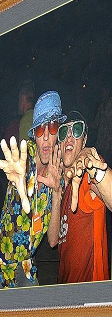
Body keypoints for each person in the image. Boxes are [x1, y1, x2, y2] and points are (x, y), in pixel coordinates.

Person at [0, 90, 65, 288]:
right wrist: (18, 178)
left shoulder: (58, 174)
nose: (46, 137)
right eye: (40, 130)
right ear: (34, 135)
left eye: (52, 126)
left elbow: (53, 241)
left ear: (59, 132)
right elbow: (18, 168)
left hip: (26, 268)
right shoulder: (24, 159)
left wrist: (57, 193)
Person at [48, 111, 111, 283]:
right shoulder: (67, 187)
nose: (69, 136)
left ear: (84, 141)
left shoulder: (86, 176)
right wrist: (56, 194)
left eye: (76, 129)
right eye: (63, 132)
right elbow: (53, 240)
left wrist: (94, 170)